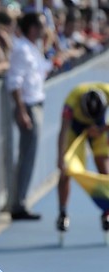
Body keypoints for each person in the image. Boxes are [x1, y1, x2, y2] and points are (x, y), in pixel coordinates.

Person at [5, 11, 52, 220]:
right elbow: (14, 82)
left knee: (29, 156)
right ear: (32, 28)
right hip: (29, 106)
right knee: (26, 157)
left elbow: (38, 73)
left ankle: (20, 201)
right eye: (41, 25)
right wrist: (22, 111)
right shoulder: (21, 49)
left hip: (34, 103)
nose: (44, 29)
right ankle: (18, 204)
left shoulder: (31, 48)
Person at [56, 83, 109, 231]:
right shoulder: (71, 100)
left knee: (104, 168)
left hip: (99, 126)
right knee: (66, 170)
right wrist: (60, 158)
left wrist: (102, 128)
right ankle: (62, 212)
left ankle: (107, 211)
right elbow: (63, 131)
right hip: (75, 128)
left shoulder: (107, 91)